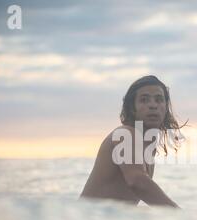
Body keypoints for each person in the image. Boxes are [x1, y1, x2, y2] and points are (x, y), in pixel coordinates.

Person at [80, 75, 186, 208]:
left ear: (165, 108)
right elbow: (137, 181)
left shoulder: (148, 146)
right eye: (144, 100)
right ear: (132, 108)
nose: (153, 105)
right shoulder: (126, 134)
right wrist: (180, 215)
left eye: (159, 100)